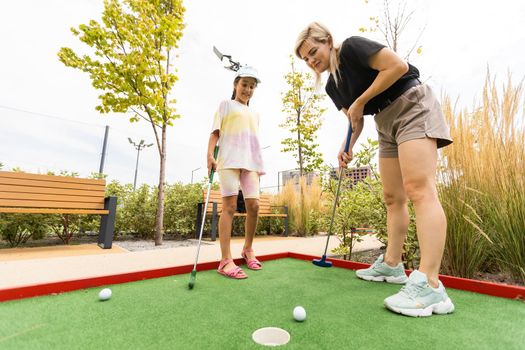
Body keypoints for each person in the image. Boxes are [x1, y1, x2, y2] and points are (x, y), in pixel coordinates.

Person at [295, 22, 455, 317]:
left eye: (313, 51)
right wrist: (348, 146)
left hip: (410, 104)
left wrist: (359, 101)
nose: (311, 60)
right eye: (305, 58)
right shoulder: (333, 86)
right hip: (385, 123)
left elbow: (397, 66)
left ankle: (431, 285)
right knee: (393, 197)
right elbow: (355, 119)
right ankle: (392, 266)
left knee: (419, 190)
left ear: (328, 41)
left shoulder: (353, 47)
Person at [207, 66, 265, 279]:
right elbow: (215, 134)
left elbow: (253, 141)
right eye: (244, 85)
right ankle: (225, 260)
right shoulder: (225, 105)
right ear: (235, 85)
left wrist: (258, 166)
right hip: (228, 160)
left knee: (255, 205)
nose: (247, 89)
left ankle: (248, 249)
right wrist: (209, 156)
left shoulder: (255, 114)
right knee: (229, 206)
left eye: (251, 86)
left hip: (250, 163)